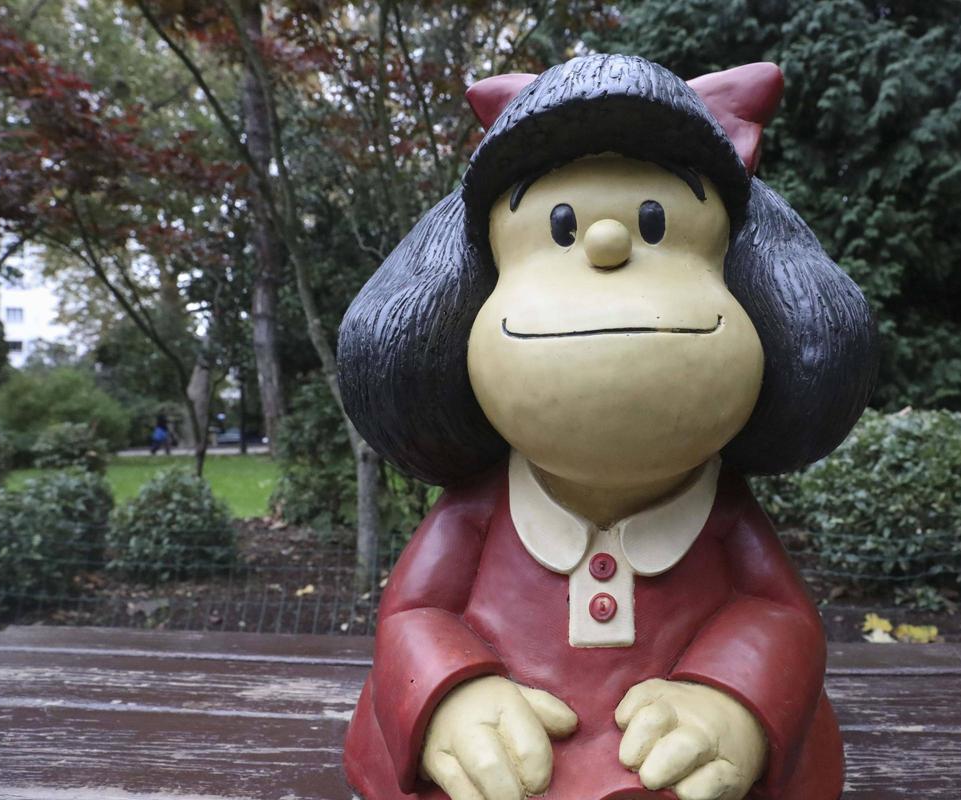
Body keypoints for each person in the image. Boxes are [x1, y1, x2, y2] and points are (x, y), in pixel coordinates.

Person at [337, 55, 877, 800]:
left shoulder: (719, 515)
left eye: (656, 222)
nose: (606, 246)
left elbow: (777, 616)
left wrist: (733, 697)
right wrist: (450, 694)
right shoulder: (479, 512)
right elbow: (417, 613)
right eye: (560, 225)